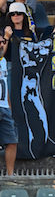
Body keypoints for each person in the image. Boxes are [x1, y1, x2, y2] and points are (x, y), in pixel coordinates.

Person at [0, 35, 17, 173]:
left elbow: (5, 85)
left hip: (5, 107)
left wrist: (9, 106)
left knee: (12, 141)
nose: (1, 45)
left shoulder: (4, 61)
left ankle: (11, 175)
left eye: (3, 42)